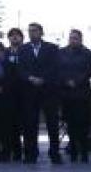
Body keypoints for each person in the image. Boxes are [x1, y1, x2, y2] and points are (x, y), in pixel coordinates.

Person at [17, 22, 61, 164]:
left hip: (48, 91)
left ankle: (55, 153)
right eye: (30, 31)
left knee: (52, 124)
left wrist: (43, 79)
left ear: (41, 32)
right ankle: (31, 154)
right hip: (29, 91)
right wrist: (30, 78)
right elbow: (20, 69)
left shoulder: (52, 48)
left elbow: (55, 67)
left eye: (35, 31)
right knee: (30, 124)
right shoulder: (23, 49)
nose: (32, 33)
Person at [58, 29, 91, 163]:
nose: (73, 40)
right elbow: (58, 69)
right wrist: (66, 81)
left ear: (81, 39)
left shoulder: (87, 53)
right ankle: (72, 150)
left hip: (82, 93)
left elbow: (90, 69)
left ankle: (84, 152)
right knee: (70, 124)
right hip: (66, 94)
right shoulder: (61, 52)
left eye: (76, 38)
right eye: (71, 38)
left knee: (83, 124)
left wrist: (77, 81)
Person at [5, 28, 25, 161]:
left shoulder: (27, 51)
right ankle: (13, 150)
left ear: (21, 38)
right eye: (12, 36)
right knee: (10, 123)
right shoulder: (5, 52)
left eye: (17, 35)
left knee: (24, 122)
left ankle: (27, 150)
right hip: (8, 92)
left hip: (24, 91)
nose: (14, 38)